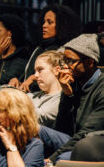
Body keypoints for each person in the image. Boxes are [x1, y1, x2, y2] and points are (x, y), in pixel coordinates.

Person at [39, 34, 104, 164]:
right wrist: (68, 95)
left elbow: (85, 133)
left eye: (71, 61)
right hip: (73, 139)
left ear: (90, 62)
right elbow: (60, 129)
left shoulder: (101, 88)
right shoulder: (72, 83)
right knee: (34, 129)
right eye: (64, 61)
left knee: (60, 160)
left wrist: (50, 160)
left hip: (91, 144)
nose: (66, 67)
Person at [10, 4, 82, 92]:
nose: (44, 25)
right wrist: (18, 81)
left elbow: (62, 79)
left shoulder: (66, 51)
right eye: (43, 22)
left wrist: (34, 78)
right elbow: (27, 78)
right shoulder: (40, 48)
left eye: (49, 22)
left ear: (62, 25)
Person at [28, 50, 63, 128]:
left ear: (56, 70)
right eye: (35, 71)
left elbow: (37, 116)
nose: (35, 75)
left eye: (40, 69)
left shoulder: (62, 100)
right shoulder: (32, 95)